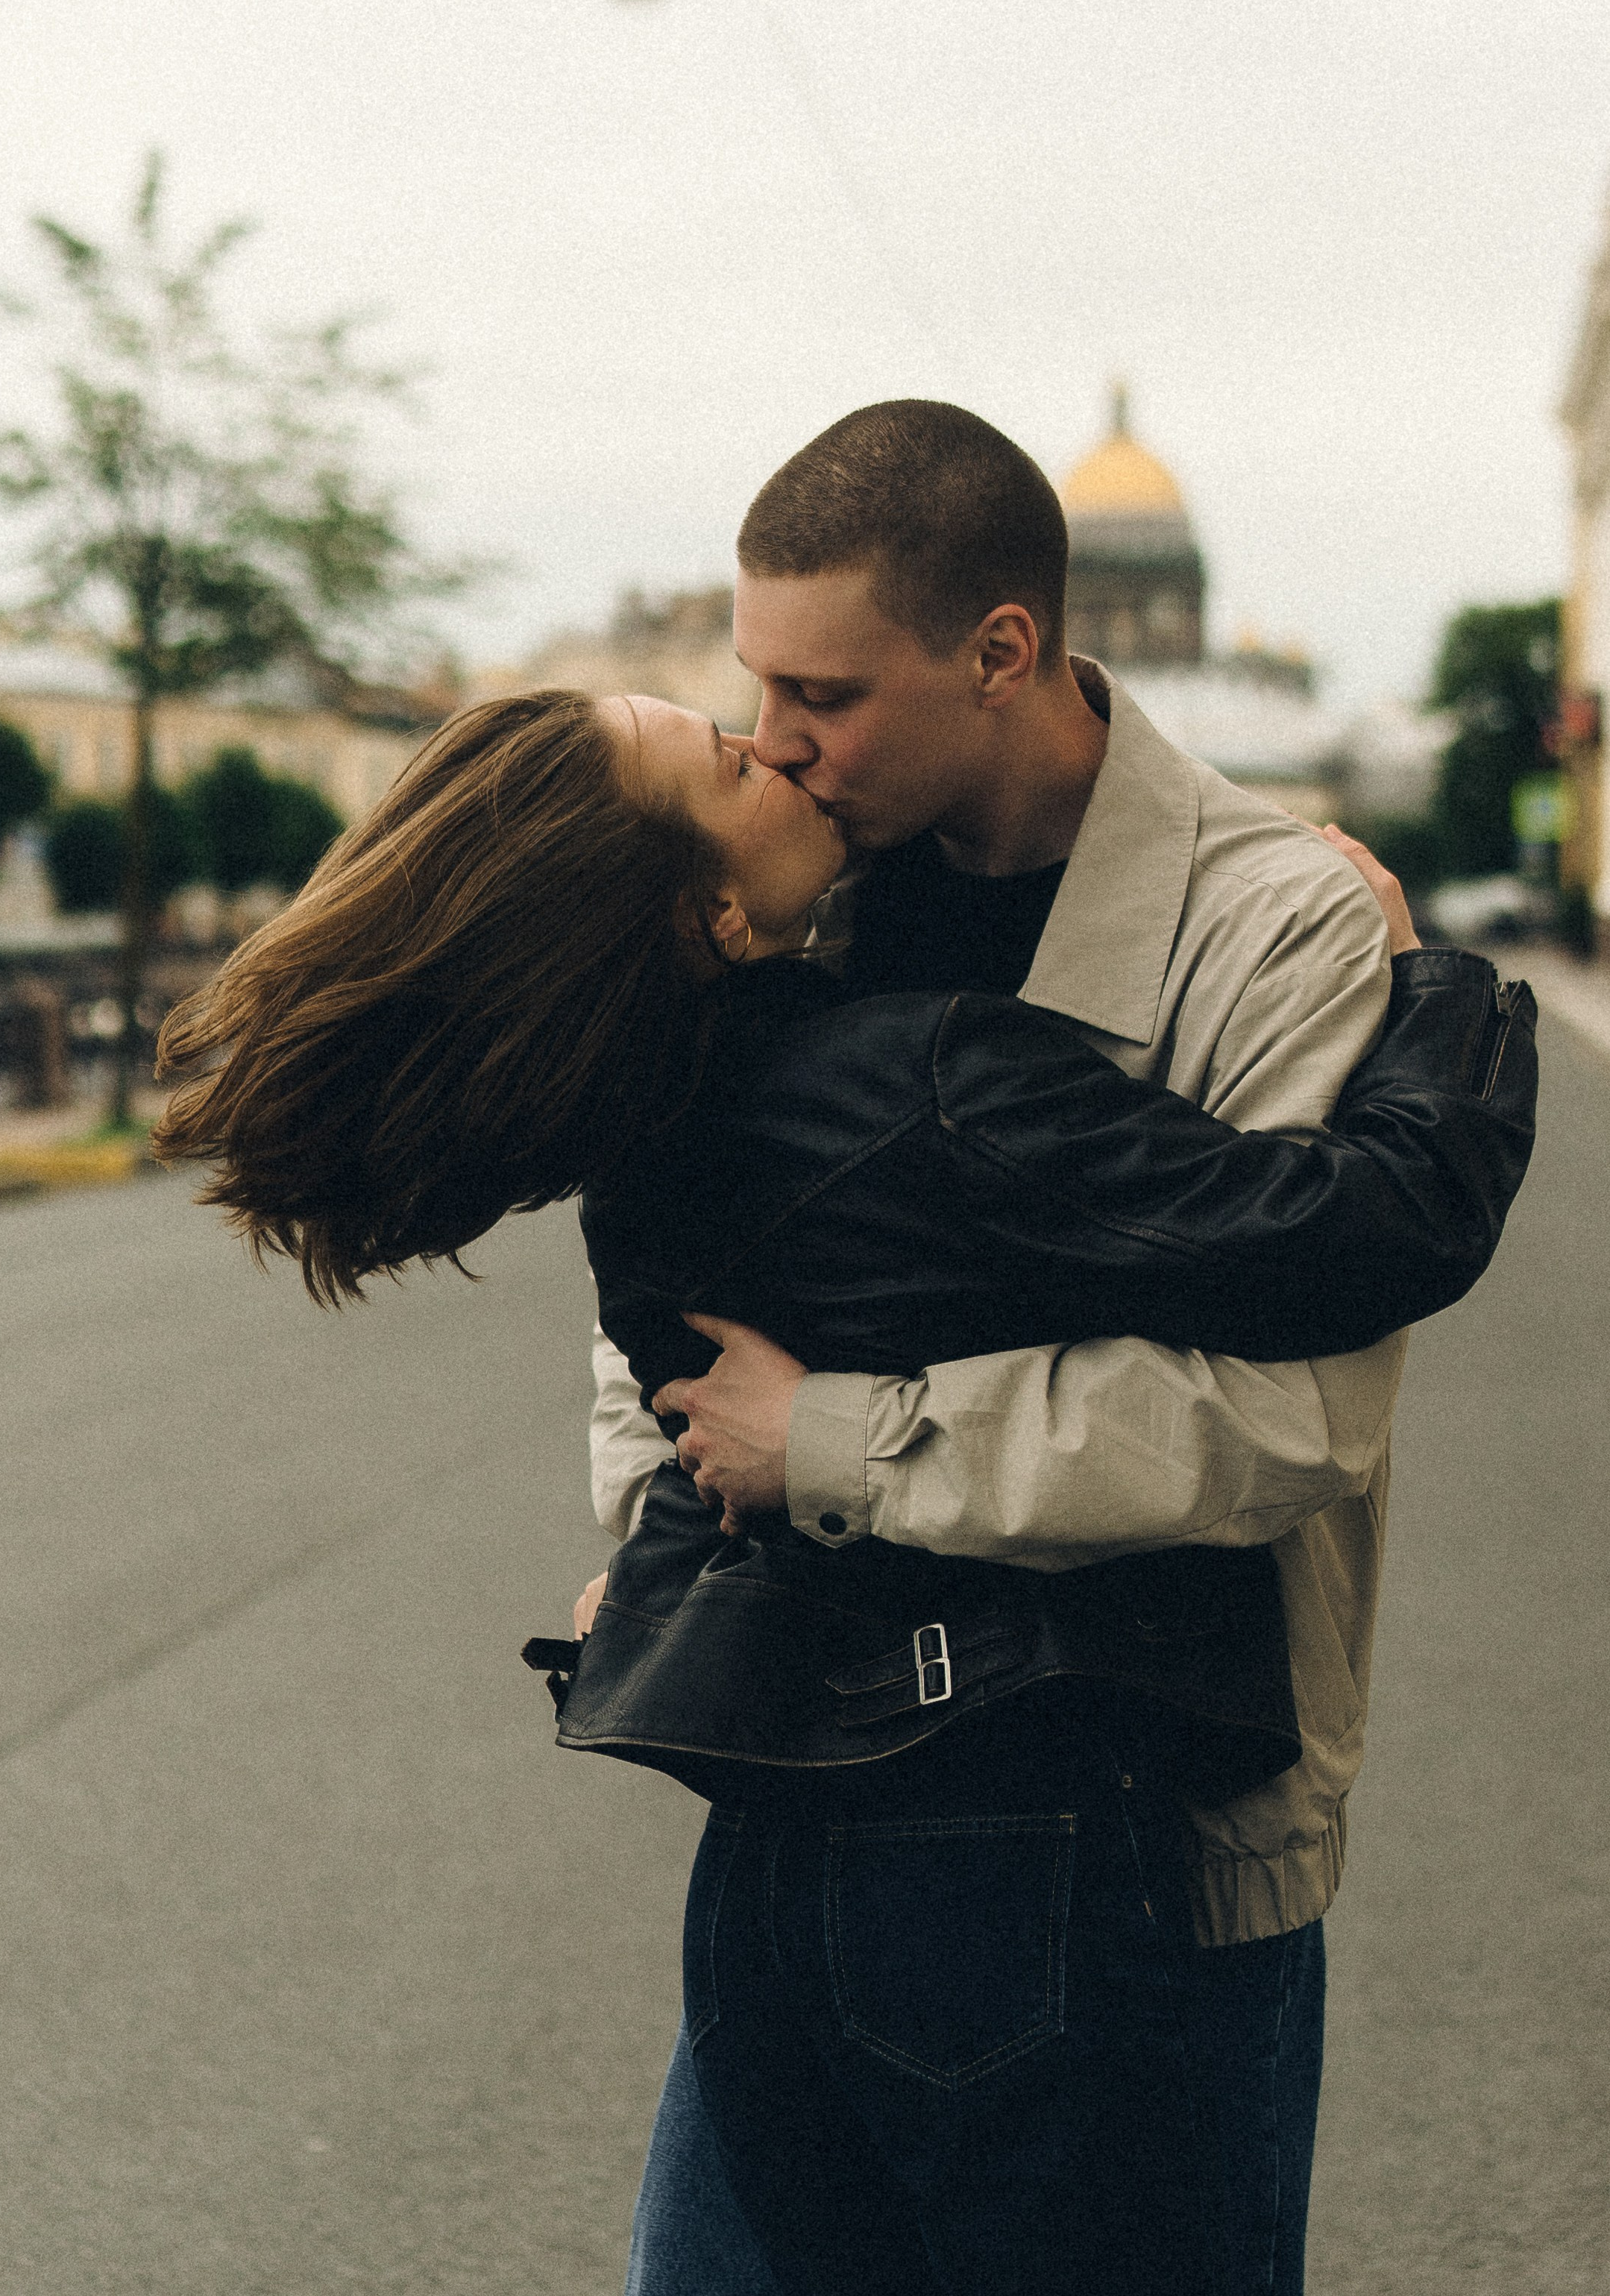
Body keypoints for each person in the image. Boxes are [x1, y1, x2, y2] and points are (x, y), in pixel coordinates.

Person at [150, 632, 1534, 2291]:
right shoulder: (924, 1079)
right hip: (1040, 1848)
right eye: (730, 756)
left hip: (769, 1851)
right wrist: (1435, 981)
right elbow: (1354, 1235)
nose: (777, 748)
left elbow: (681, 1434)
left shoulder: (638, 1143)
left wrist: (718, 1502)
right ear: (711, 918)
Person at [582, 400, 1531, 2295]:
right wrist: (659, 1528)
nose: (775, 739)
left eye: (826, 692)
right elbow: (663, 1319)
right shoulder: (793, 891)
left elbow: (1294, 1417)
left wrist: (832, 1442)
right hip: (801, 1808)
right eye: (755, 687)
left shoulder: (1264, 923)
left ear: (1000, 648)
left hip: (1165, 1858)